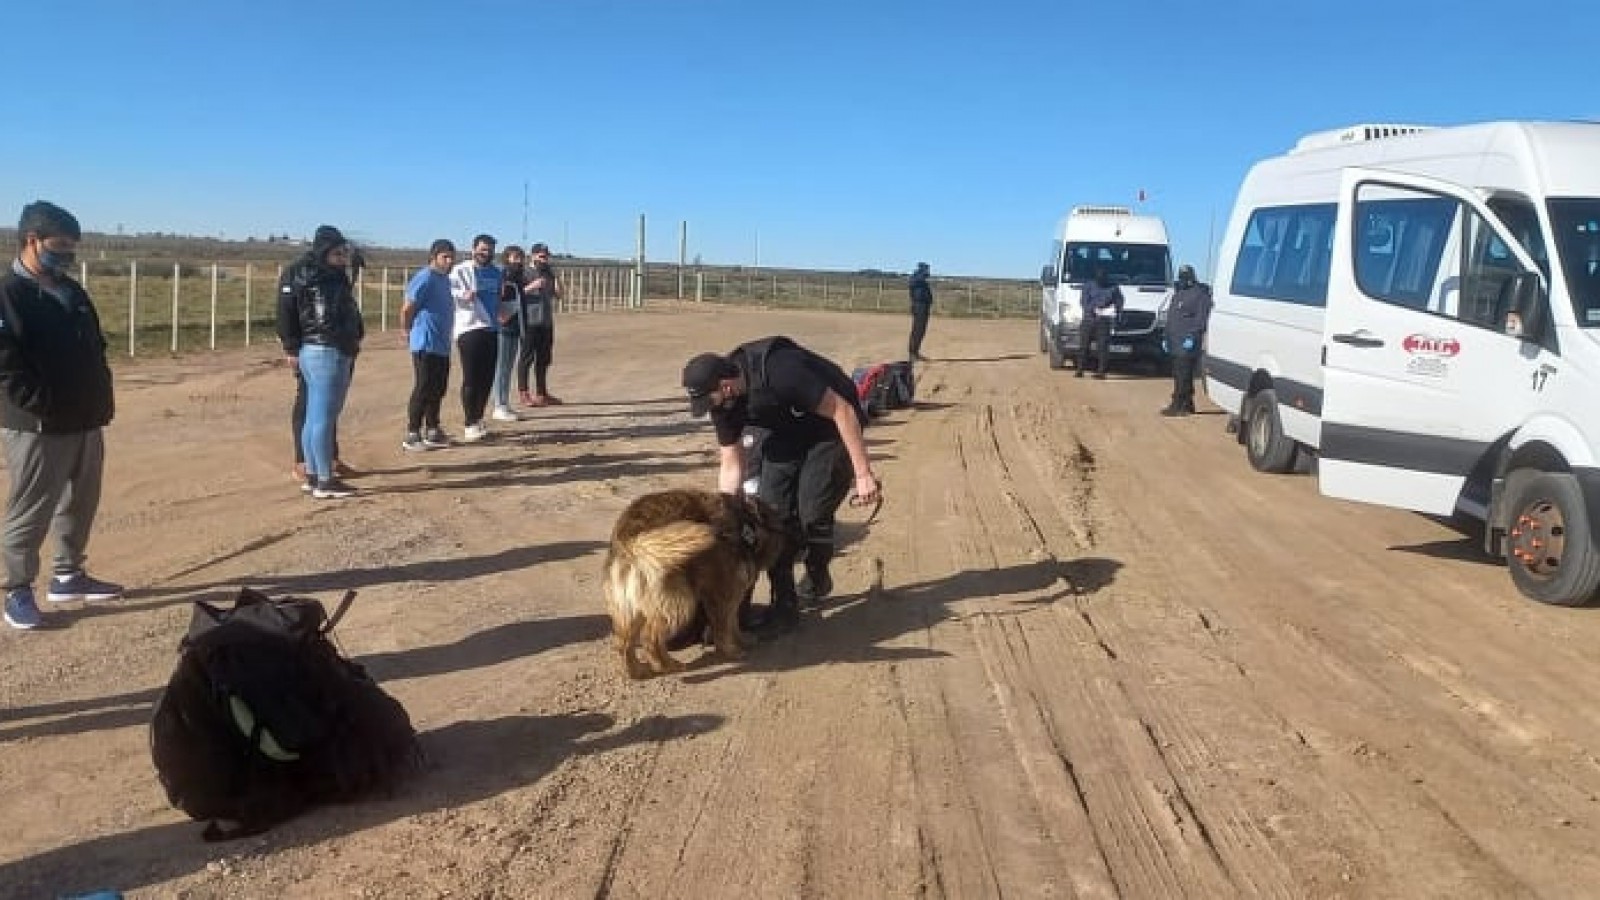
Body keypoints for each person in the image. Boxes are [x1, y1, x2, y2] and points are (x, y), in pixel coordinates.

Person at [682, 337, 882, 636]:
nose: (710, 409)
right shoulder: (724, 405)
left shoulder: (780, 371)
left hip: (830, 427)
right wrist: (727, 513)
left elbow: (843, 412)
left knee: (812, 509)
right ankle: (784, 606)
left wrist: (863, 473)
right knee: (773, 516)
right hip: (783, 432)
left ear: (725, 386)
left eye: (708, 401)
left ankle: (817, 571)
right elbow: (731, 462)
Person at [0, 201, 123, 630]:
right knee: (31, 508)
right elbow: (5, 366)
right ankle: (16, 589)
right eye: (59, 247)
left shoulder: (70, 290)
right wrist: (42, 403)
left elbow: (96, 345)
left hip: (86, 418)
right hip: (39, 424)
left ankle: (68, 575)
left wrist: (100, 395)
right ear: (31, 241)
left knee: (80, 502)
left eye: (72, 248)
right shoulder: (8, 295)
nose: (66, 256)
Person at [278, 225, 364, 498]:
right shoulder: (323, 279)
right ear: (325, 252)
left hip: (315, 350)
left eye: (344, 253)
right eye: (338, 253)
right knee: (323, 418)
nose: (343, 258)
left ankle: (314, 474)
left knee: (315, 416)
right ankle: (325, 479)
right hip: (328, 350)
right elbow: (291, 312)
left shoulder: (312, 275)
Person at [400, 240, 458, 451]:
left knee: (438, 388)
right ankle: (412, 433)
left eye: (452, 257)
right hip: (425, 341)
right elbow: (407, 308)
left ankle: (432, 429)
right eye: (445, 257)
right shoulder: (425, 277)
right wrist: (406, 330)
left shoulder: (444, 279)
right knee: (423, 387)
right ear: (433, 257)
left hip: (441, 344)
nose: (449, 261)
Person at [449, 234, 502, 442]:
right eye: (482, 249)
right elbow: (450, 290)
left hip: (491, 328)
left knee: (487, 378)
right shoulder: (461, 270)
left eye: (489, 250)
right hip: (469, 328)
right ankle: (469, 422)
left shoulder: (496, 273)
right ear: (473, 249)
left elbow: (498, 296)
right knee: (471, 377)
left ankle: (478, 417)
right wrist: (463, 295)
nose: (485, 253)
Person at [1162, 264, 1213, 416]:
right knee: (1179, 374)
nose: (1182, 280)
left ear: (1191, 277)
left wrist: (1192, 336)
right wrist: (1165, 336)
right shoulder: (1178, 294)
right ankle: (1188, 404)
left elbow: (1201, 319)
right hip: (1174, 340)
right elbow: (1171, 316)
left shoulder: (1200, 295)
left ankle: (1178, 405)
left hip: (1188, 341)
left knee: (1183, 375)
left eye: (1185, 277)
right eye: (1180, 277)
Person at [516, 242, 562, 407]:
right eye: (541, 256)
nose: (544, 259)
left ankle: (542, 393)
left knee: (544, 359)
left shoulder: (548, 273)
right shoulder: (524, 272)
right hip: (529, 321)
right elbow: (516, 294)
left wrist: (556, 279)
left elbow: (558, 295)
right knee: (526, 358)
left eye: (546, 256)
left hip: (546, 322)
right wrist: (532, 286)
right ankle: (524, 393)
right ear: (533, 256)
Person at [488, 245, 524, 423]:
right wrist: (500, 315)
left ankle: (504, 402)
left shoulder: (516, 277)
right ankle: (498, 405)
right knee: (501, 367)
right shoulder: (503, 275)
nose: (518, 261)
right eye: (515, 257)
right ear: (506, 258)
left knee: (508, 367)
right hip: (503, 327)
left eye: (520, 257)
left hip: (514, 325)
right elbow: (497, 297)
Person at [1076, 265, 1123, 379]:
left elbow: (1119, 301)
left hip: (1104, 321)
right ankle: (1080, 370)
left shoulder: (1114, 287)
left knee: (1103, 348)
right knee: (1084, 346)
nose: (1101, 278)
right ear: (1095, 276)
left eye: (1103, 276)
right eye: (1099, 276)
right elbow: (1083, 302)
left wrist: (1115, 309)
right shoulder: (1088, 286)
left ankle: (1101, 372)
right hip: (1089, 320)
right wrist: (1092, 309)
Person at [908, 262, 934, 361]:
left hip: (924, 307)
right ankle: (912, 353)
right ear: (922, 269)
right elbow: (913, 283)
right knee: (917, 330)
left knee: (921, 330)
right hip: (919, 306)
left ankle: (915, 352)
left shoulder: (921, 279)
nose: (928, 272)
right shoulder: (916, 278)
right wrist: (922, 275)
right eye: (927, 269)